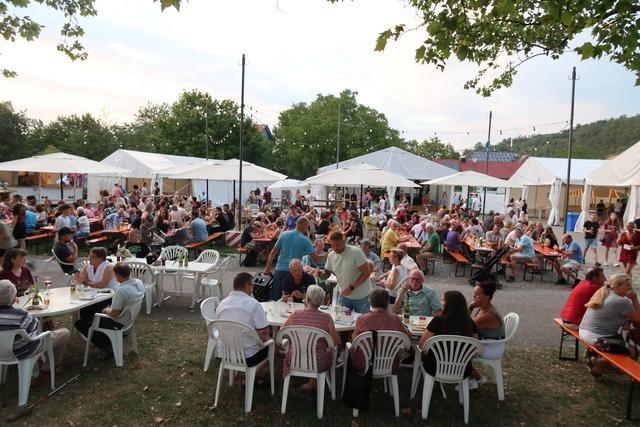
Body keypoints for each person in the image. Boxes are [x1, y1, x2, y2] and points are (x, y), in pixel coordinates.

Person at [0, 280, 70, 378]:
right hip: (22, 351)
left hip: (2, 352)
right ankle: (49, 367)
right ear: (13, 299)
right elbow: (35, 325)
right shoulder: (20, 315)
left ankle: (35, 372)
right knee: (64, 333)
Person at [75, 263, 144, 359]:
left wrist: (106, 310)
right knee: (91, 311)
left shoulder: (122, 290)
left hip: (118, 322)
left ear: (117, 276)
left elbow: (114, 314)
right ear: (130, 272)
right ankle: (103, 338)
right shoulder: (139, 282)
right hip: (130, 318)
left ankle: (107, 346)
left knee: (80, 323)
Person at [580, 274, 640, 377]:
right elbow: (638, 319)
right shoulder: (621, 301)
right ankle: (600, 363)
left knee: (620, 340)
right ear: (617, 286)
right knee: (634, 352)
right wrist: (634, 299)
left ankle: (599, 365)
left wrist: (624, 320)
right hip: (597, 336)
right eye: (627, 285)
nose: (630, 288)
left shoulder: (604, 293)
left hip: (584, 331)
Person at [419, 291, 479, 385]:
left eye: (443, 300)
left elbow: (422, 345)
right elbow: (475, 347)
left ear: (448, 304)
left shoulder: (438, 320)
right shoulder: (470, 322)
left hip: (435, 367)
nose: (440, 303)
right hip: (463, 368)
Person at [216, 272, 271, 370]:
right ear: (247, 285)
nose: (253, 288)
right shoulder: (253, 304)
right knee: (273, 346)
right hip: (248, 357)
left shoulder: (222, 304)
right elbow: (264, 333)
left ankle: (250, 377)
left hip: (225, 354)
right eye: (252, 285)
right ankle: (257, 377)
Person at [350, 288, 411, 373]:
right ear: (387, 302)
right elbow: (407, 337)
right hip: (390, 363)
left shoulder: (362, 319)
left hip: (364, 363)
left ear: (371, 302)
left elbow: (354, 342)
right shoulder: (395, 319)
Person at [264, 217, 315, 301]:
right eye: (307, 227)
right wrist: (328, 254)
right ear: (305, 226)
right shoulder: (305, 240)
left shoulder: (284, 234)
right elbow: (316, 258)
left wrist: (267, 268)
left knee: (276, 299)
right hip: (294, 272)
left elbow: (273, 252)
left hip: (280, 270)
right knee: (292, 300)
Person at [320, 231, 372, 313]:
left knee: (363, 322)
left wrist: (351, 287)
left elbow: (366, 273)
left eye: (338, 245)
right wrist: (318, 273)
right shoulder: (331, 255)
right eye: (333, 245)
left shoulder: (355, 252)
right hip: (344, 295)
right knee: (340, 319)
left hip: (361, 296)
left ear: (343, 241)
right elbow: (326, 274)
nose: (335, 248)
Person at [470, 281, 506, 364]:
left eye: (477, 295)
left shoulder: (488, 315)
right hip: (486, 343)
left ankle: (476, 376)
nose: (473, 297)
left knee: (459, 349)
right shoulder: (484, 307)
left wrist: (471, 306)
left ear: (486, 297)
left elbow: (467, 327)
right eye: (474, 294)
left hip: (492, 349)